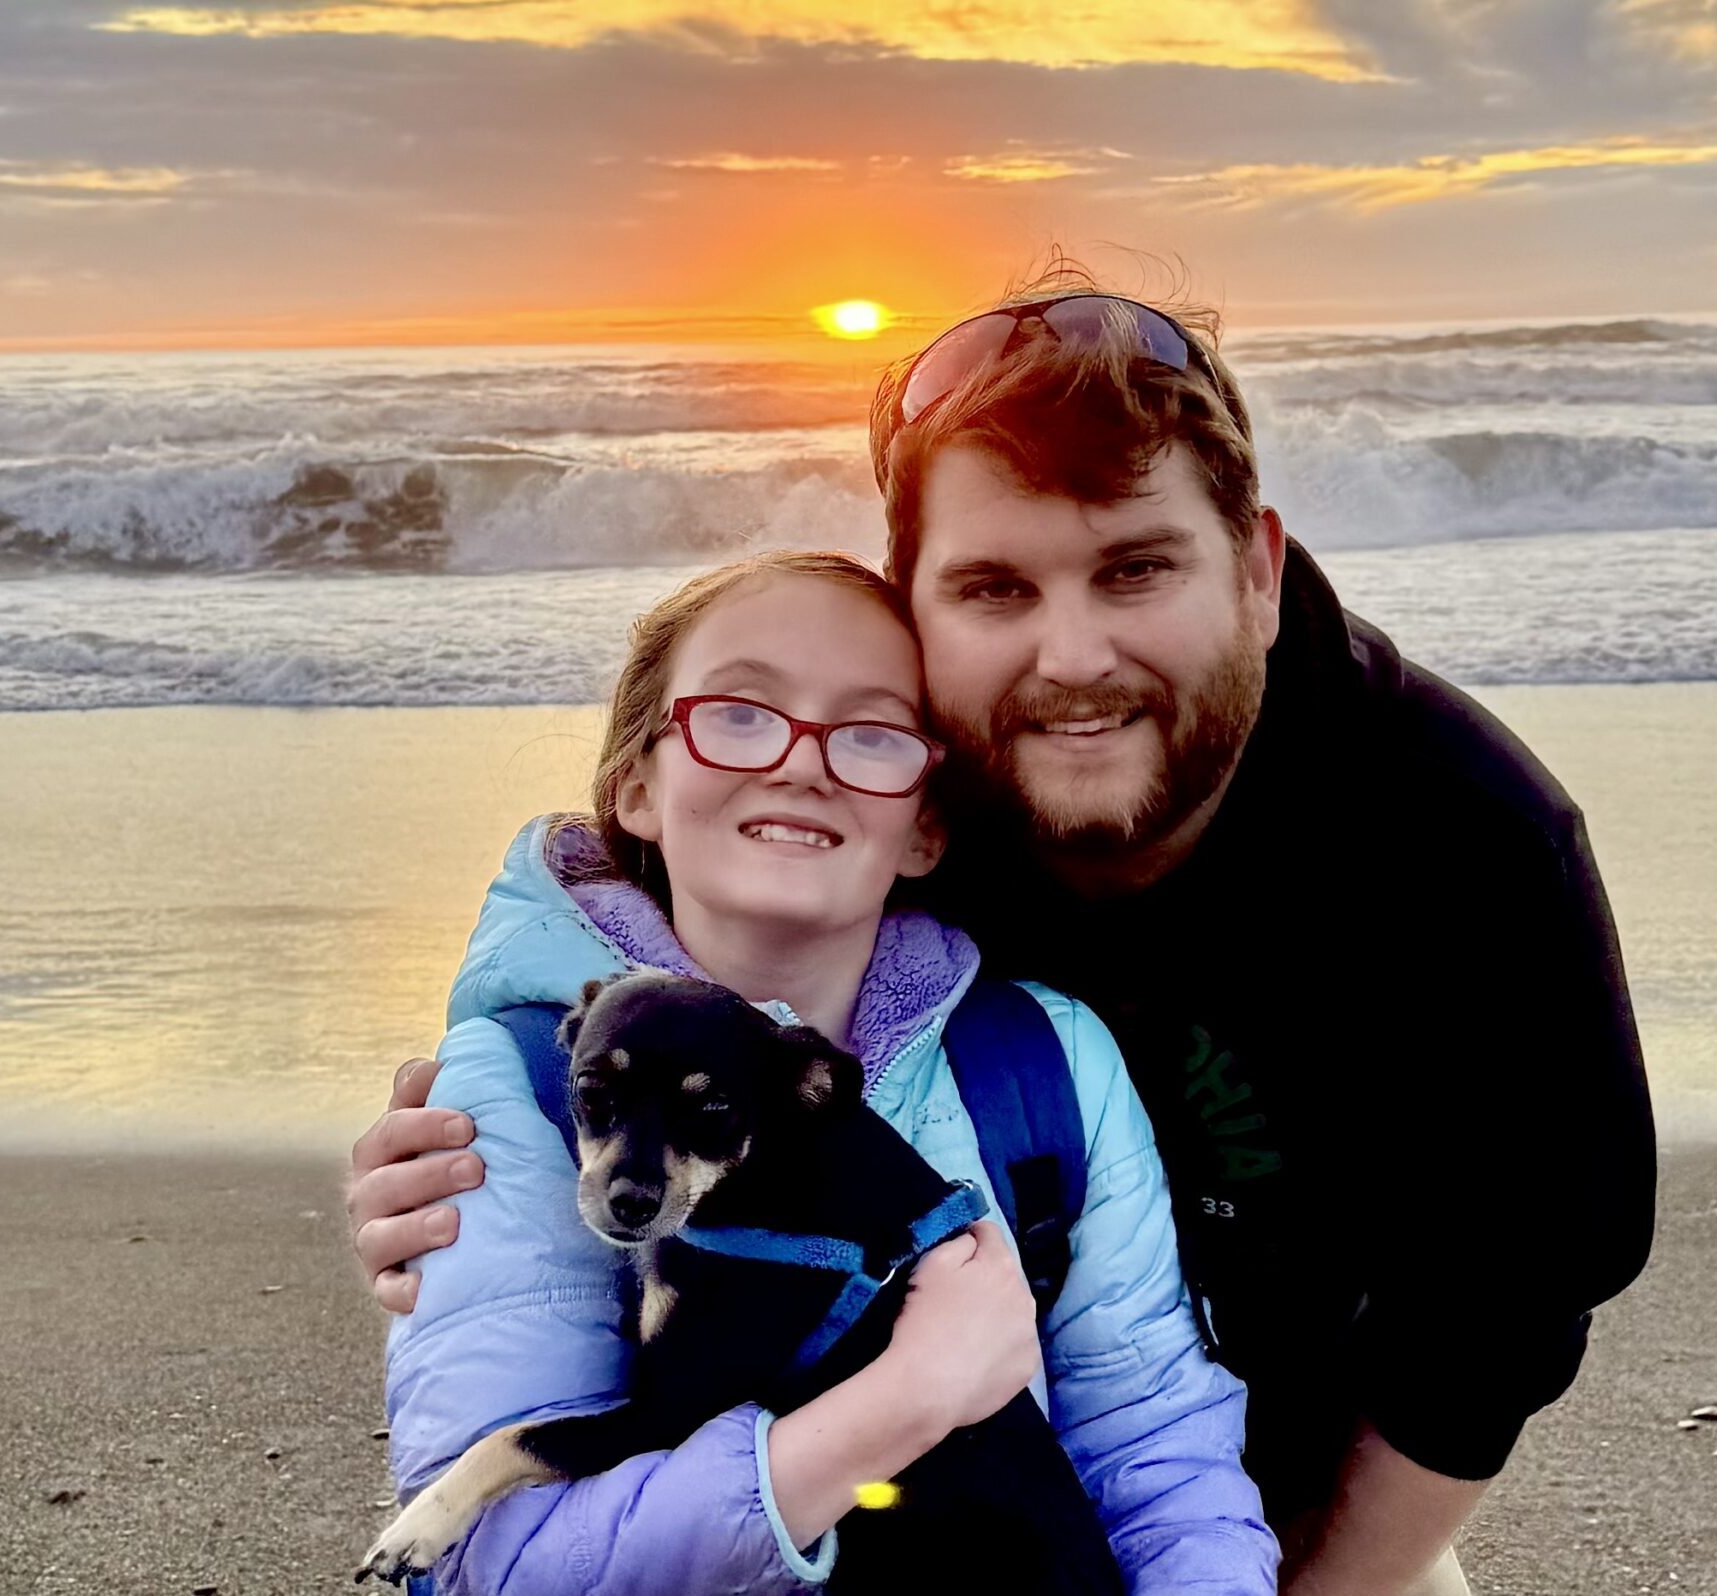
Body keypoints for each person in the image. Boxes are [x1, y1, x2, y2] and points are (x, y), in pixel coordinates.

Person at [352, 276, 1658, 1595]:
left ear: (1259, 571)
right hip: (778, 1473)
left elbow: (1500, 1323)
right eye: (991, 586)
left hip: (1279, 1492)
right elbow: (664, 928)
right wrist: (481, 1124)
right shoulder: (902, 779)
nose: (1072, 657)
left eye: (1138, 567)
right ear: (914, 603)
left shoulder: (1467, 849)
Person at [381, 549, 1276, 1594]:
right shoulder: (519, 1087)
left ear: (925, 826)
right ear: (636, 785)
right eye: (741, 712)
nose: (802, 762)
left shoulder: (1042, 1065)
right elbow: (498, 1567)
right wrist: (905, 1400)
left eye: (870, 734)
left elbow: (1161, 1462)